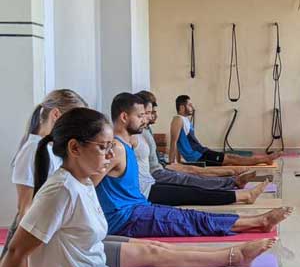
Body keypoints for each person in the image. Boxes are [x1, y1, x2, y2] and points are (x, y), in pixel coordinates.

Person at [1, 107, 300, 267]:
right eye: (103, 147)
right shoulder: (60, 190)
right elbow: (16, 251)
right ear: (75, 148)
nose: (110, 154)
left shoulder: (83, 183)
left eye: (111, 147)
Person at [95, 93, 291, 238]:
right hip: (128, 216)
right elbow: (88, 186)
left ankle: (254, 217)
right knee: (188, 219)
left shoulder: (126, 144)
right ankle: (256, 220)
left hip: (139, 206)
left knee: (190, 215)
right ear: (123, 117)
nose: (145, 119)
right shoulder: (116, 149)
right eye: (140, 115)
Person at [1, 89, 88, 267]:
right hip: (30, 234)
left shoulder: (50, 149)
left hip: (45, 232)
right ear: (57, 115)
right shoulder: (32, 150)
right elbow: (25, 210)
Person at [133, 92, 267, 205]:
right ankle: (238, 177)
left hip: (166, 166)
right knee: (195, 176)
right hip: (182, 161)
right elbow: (174, 142)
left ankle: (237, 177)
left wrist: (173, 163)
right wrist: (173, 162)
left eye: (150, 113)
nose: (151, 117)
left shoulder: (146, 130)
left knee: (200, 172)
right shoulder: (175, 120)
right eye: (146, 114)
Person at [169, 95, 282, 166]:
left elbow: (179, 143)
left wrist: (179, 162)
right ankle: (265, 159)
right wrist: (172, 163)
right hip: (198, 157)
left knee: (232, 157)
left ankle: (265, 159)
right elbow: (173, 143)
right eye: (189, 105)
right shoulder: (178, 119)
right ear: (182, 107)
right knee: (232, 159)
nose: (192, 107)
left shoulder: (184, 121)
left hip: (201, 152)